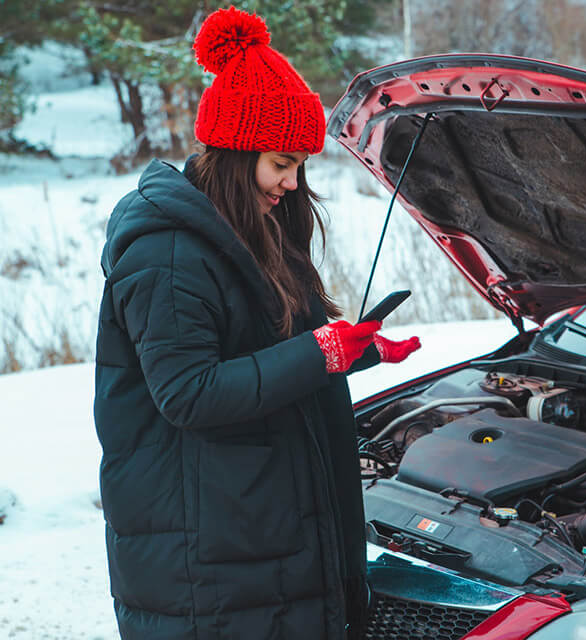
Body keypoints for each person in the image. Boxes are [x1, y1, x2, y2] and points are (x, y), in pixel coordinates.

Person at [93, 7, 420, 639]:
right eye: (281, 163)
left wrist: (355, 349)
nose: (293, 184)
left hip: (254, 537)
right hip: (205, 561)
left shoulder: (251, 230)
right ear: (236, 154)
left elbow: (270, 357)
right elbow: (189, 392)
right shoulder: (166, 254)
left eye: (302, 165)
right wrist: (319, 354)